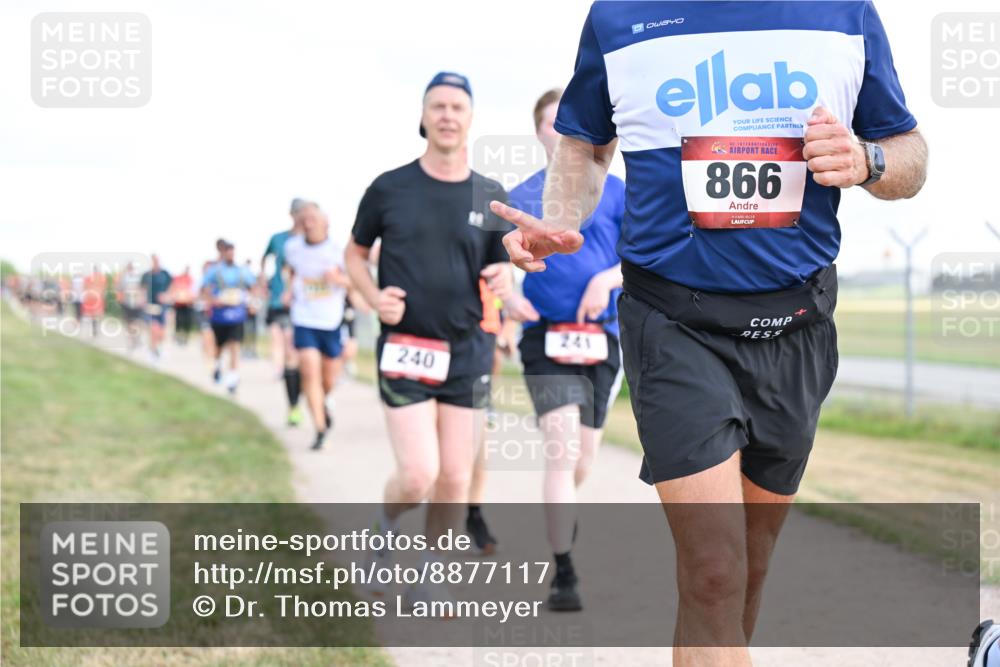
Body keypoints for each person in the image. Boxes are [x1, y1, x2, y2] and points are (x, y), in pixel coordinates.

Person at [491, 3, 927, 664]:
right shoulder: (619, 15)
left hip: (797, 325)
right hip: (673, 321)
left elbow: (911, 156)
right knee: (714, 571)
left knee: (745, 573)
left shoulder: (842, 13)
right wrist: (557, 216)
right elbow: (583, 145)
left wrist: (867, 158)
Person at [344, 71, 512, 607]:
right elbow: (353, 254)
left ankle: (433, 570)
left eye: (457, 107)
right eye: (437, 106)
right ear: (422, 117)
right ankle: (383, 531)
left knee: (456, 476)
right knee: (419, 474)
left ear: (470, 120)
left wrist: (506, 278)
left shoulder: (490, 195)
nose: (446, 115)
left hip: (467, 348)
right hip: (406, 346)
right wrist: (373, 297)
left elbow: (500, 271)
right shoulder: (389, 187)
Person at [506, 87, 626, 611]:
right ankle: (565, 573)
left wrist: (607, 278)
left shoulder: (621, 190)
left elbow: (644, 258)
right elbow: (493, 266)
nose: (561, 133)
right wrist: (507, 293)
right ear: (537, 132)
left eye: (569, 124)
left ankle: (562, 528)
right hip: (547, 337)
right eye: (552, 124)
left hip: (603, 337)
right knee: (562, 450)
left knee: (582, 457)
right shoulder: (522, 196)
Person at [282, 205, 350, 450]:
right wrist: (289, 290)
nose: (308, 223)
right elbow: (290, 271)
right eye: (305, 219)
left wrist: (338, 279)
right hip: (304, 319)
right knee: (309, 371)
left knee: (328, 378)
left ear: (326, 222)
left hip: (330, 320)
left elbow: (354, 282)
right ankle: (320, 428)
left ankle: (323, 403)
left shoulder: (338, 251)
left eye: (313, 218)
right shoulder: (293, 247)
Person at [263, 199, 307, 426]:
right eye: (298, 212)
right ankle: (294, 406)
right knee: (289, 347)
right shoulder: (279, 240)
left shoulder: (316, 241)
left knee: (309, 358)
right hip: (284, 303)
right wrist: (264, 282)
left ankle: (318, 396)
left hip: (315, 309)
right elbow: (268, 260)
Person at [201, 241, 257, 394]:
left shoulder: (242, 271)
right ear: (223, 253)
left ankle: (232, 377)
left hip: (237, 314)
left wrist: (252, 303)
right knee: (219, 346)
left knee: (235, 345)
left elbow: (253, 288)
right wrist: (212, 300)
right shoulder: (215, 271)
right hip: (219, 315)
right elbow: (204, 289)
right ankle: (217, 365)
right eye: (228, 252)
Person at [140, 254, 172, 360]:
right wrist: (142, 300)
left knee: (162, 332)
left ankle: (158, 348)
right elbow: (142, 289)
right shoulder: (146, 275)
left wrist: (166, 296)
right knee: (154, 329)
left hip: (162, 307)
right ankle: (152, 352)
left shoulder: (165, 274)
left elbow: (172, 287)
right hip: (150, 306)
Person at [116, 262, 144, 351]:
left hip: (136, 304)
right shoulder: (123, 278)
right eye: (129, 267)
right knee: (129, 323)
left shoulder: (138, 278)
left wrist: (141, 299)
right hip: (127, 303)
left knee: (137, 322)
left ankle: (136, 338)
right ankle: (132, 340)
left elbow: (141, 289)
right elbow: (119, 288)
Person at [169, 266, 197, 345]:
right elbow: (173, 289)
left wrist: (191, 298)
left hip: (188, 304)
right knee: (179, 321)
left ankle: (185, 337)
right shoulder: (177, 278)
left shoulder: (190, 279)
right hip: (178, 304)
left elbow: (193, 291)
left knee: (187, 322)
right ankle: (178, 336)